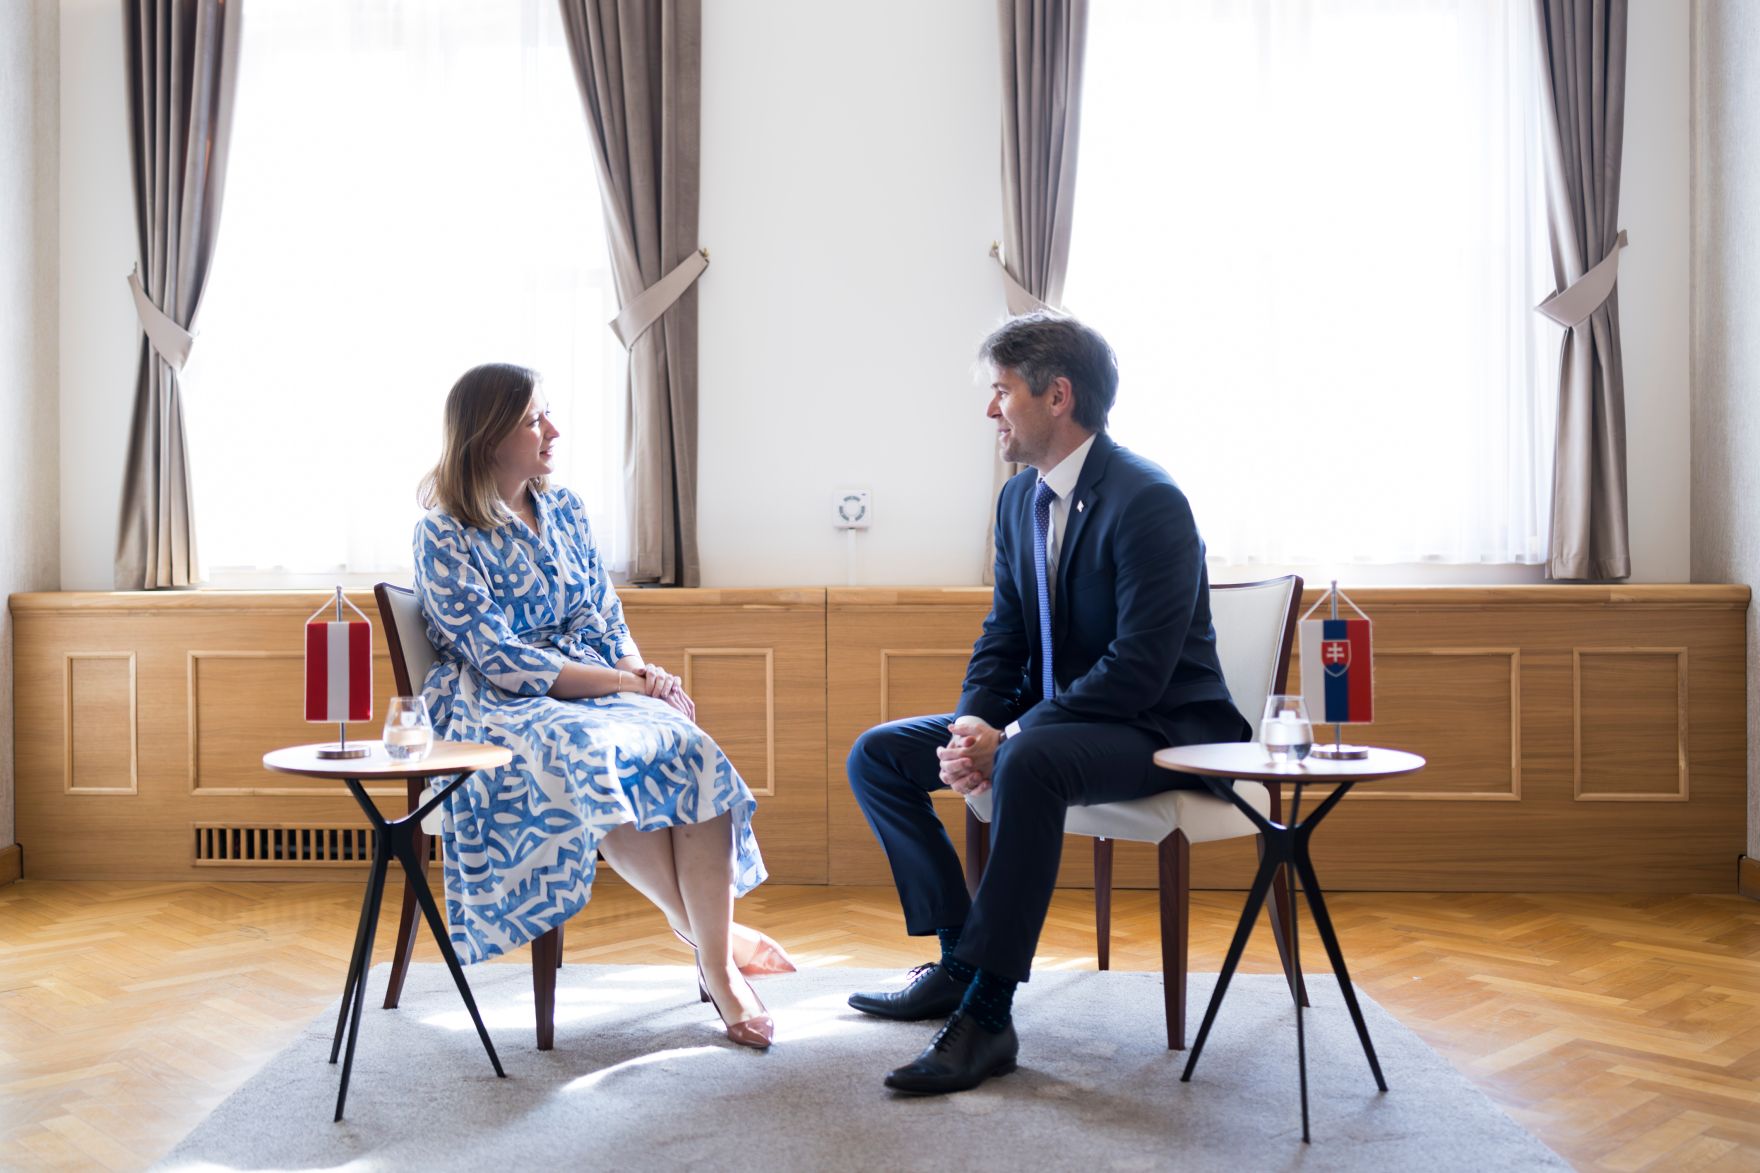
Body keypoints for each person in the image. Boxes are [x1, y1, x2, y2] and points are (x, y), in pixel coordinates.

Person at [845, 313, 1250, 1093]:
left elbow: (1138, 669)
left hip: (1163, 727)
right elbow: (1004, 634)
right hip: (1062, 721)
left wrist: (1015, 731)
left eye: (1000, 391)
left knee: (1026, 759)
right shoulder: (1017, 501)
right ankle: (960, 956)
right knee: (881, 753)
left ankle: (989, 1013)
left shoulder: (1150, 499)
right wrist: (972, 722)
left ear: (1057, 394)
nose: (989, 410)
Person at [413, 361, 789, 1049]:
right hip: (499, 702)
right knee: (589, 751)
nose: (553, 429)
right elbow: (500, 659)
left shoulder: (567, 510)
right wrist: (623, 686)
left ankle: (709, 941)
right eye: (534, 418)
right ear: (489, 435)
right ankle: (717, 951)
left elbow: (604, 615)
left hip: (592, 682)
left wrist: (642, 672)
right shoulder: (444, 533)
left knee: (687, 743)